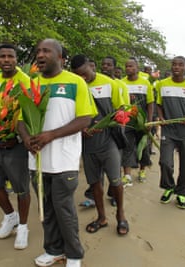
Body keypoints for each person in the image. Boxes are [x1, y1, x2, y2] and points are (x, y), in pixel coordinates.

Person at [17, 39, 97, 267]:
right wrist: (25, 139)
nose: (40, 55)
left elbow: (85, 119)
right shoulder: (32, 83)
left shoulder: (75, 82)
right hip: (37, 161)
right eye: (38, 51)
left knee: (63, 208)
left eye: (46, 51)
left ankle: (74, 254)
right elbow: (21, 119)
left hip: (64, 160)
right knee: (46, 209)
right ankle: (53, 250)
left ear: (60, 58)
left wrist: (50, 135)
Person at [70, 54, 129, 236]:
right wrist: (81, 129)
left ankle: (121, 216)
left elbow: (122, 110)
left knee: (115, 180)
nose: (83, 78)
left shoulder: (110, 84)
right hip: (87, 145)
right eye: (78, 75)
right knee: (94, 182)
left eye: (84, 73)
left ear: (90, 65)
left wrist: (107, 124)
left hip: (108, 142)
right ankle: (101, 217)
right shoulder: (75, 86)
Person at [0, 43, 31, 249]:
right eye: (2, 56)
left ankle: (23, 226)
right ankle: (10, 216)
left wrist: (18, 137)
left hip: (15, 142)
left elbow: (29, 113)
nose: (6, 60)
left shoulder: (25, 80)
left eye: (10, 56)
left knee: (21, 189)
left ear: (16, 59)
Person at [156, 56, 185, 209]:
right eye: (174, 64)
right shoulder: (162, 84)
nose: (176, 67)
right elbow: (159, 105)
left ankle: (182, 193)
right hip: (168, 130)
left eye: (180, 65)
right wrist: (161, 117)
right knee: (165, 162)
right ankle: (169, 187)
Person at [121, 57, 154, 185]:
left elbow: (150, 103)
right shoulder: (121, 83)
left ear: (137, 68)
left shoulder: (145, 83)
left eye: (131, 66)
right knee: (127, 147)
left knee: (143, 147)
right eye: (127, 66)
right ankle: (127, 175)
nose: (128, 68)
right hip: (127, 122)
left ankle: (142, 170)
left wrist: (149, 121)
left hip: (142, 122)